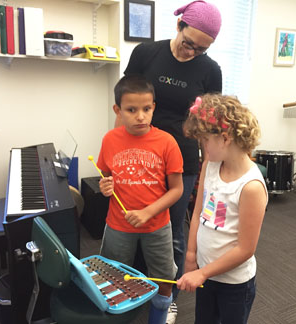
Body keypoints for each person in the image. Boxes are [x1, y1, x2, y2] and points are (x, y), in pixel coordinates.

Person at [120, 1, 223, 321]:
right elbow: (126, 101)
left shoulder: (210, 70)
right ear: (179, 26)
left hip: (182, 158)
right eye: (189, 43)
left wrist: (211, 170)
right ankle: (134, 286)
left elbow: (209, 123)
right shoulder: (146, 54)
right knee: (134, 223)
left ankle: (168, 294)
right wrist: (116, 149)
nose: (192, 52)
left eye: (201, 49)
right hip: (139, 154)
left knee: (173, 231)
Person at [97, 75, 184, 324]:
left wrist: (148, 212)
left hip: (156, 225)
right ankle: (118, 317)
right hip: (118, 224)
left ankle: (158, 317)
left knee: (164, 279)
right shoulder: (110, 139)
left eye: (146, 109)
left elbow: (177, 189)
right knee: (113, 277)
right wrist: (106, 185)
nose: (140, 116)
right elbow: (105, 173)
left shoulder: (167, 142)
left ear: (154, 107)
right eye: (131, 110)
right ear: (118, 110)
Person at [177, 94, 268, 324]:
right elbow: (197, 213)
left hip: (234, 284)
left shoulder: (251, 187)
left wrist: (203, 273)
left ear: (225, 138)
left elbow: (246, 249)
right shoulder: (210, 164)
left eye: (205, 141)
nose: (203, 148)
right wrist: (190, 255)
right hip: (206, 273)